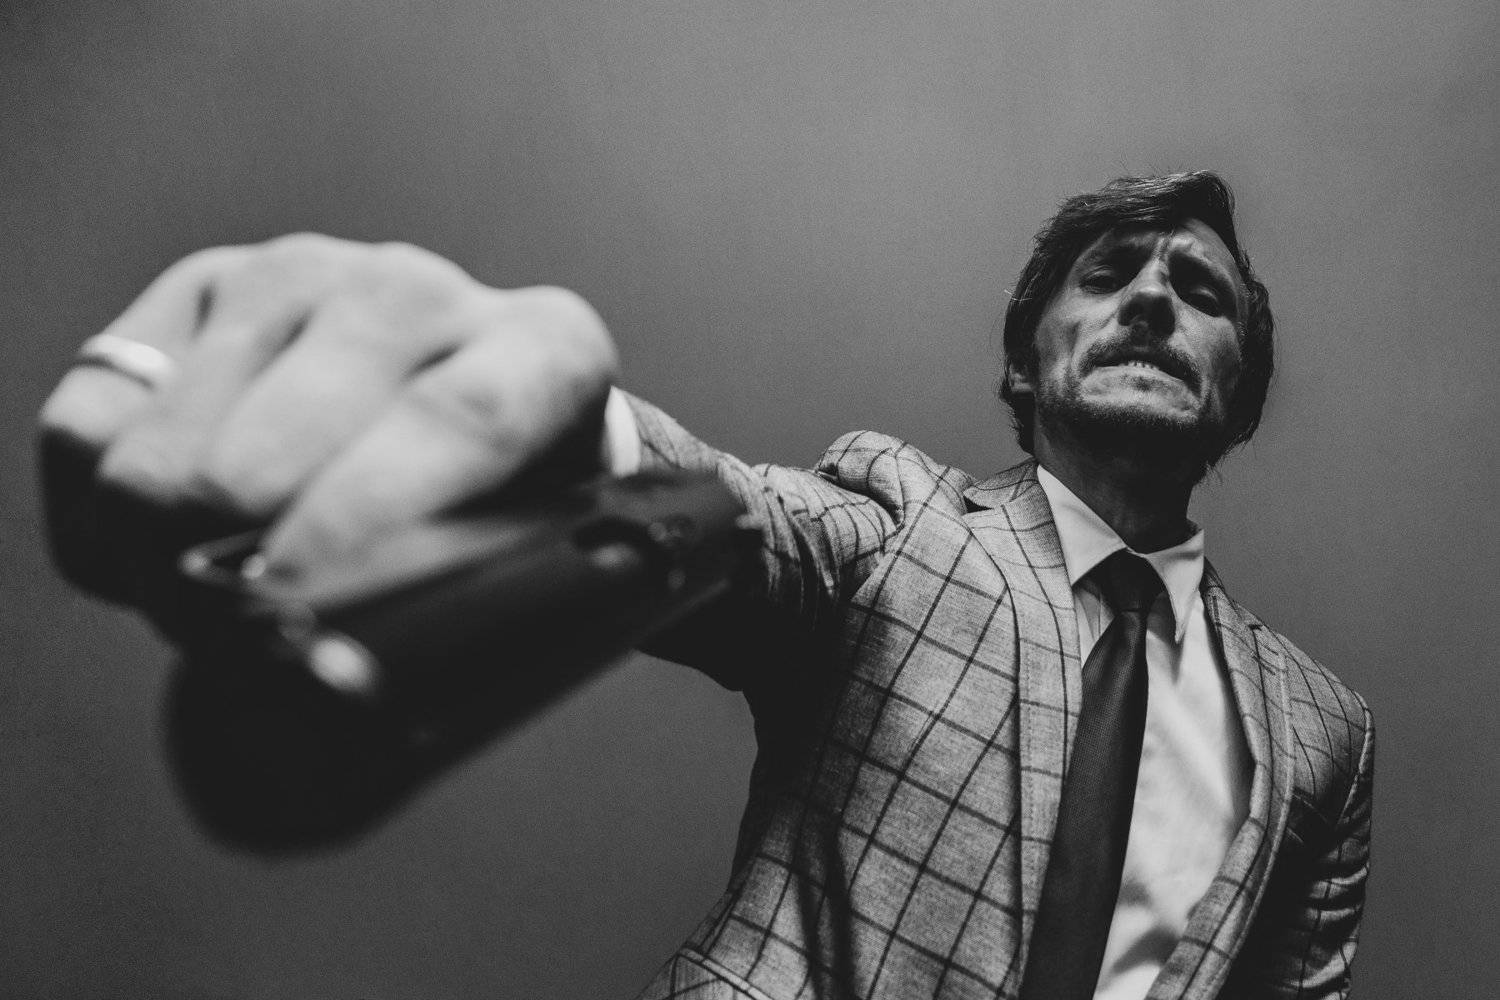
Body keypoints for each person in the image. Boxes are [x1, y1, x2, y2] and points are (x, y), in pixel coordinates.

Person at [38, 171, 1372, 999]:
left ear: (1239, 393)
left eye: (1201, 293)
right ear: (1027, 364)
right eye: (1109, 276)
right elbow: (733, 516)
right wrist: (551, 430)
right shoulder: (898, 524)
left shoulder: (1321, 730)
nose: (1153, 301)